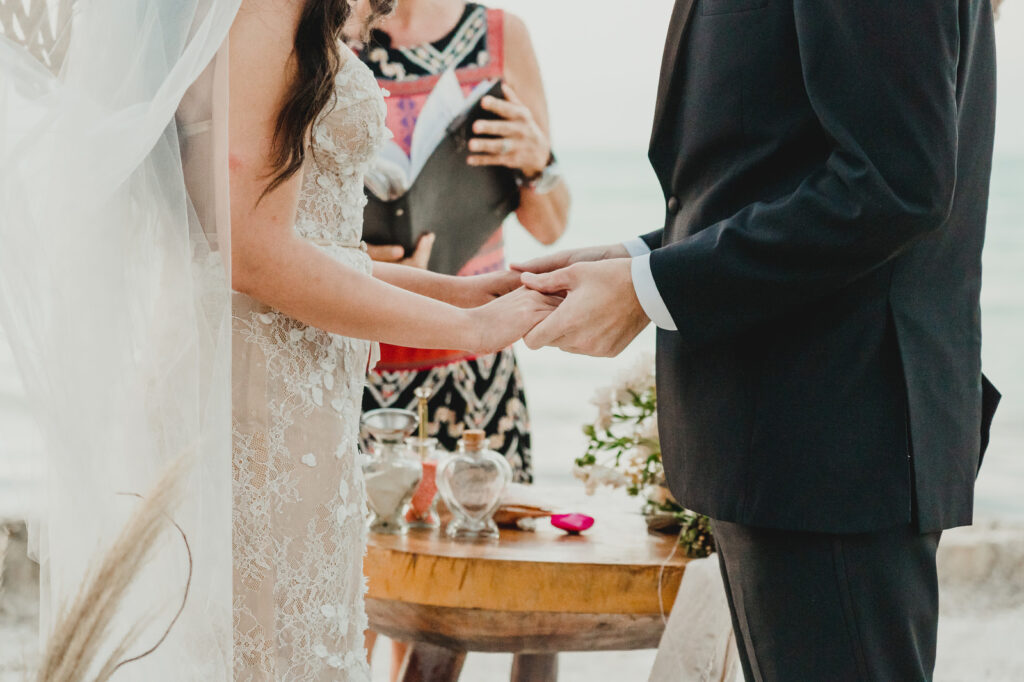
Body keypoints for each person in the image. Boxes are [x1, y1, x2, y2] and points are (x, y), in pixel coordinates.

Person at [517, 1, 999, 680]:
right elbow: (777, 166)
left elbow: (894, 185)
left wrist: (653, 288)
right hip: (788, 446)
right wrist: (642, 264)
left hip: (832, 445)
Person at [227, 1, 560, 679]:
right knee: (336, 616)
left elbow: (550, 223)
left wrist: (467, 293)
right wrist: (465, 319)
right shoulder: (297, 18)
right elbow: (258, 246)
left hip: (440, 373)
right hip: (327, 365)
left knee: (459, 607)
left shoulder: (499, 35)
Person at [354, 0, 570, 482]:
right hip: (354, 361)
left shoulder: (501, 35)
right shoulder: (330, 31)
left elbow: (550, 228)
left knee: (487, 524)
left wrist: (538, 162)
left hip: (475, 366)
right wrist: (353, 257)